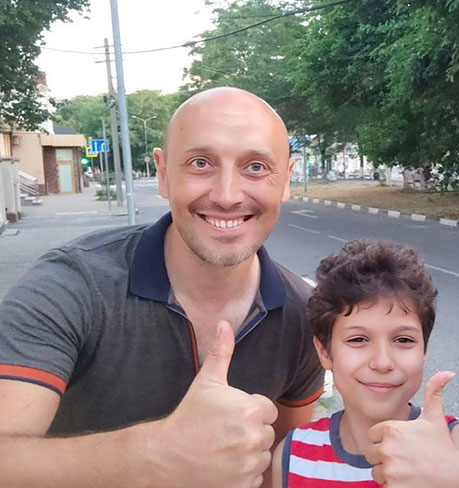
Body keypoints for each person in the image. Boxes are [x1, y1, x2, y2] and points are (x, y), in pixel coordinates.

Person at [0, 87, 324, 488]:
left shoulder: (304, 315)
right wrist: (152, 455)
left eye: (256, 167)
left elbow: (279, 464)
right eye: (201, 163)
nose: (226, 196)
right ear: (164, 173)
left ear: (286, 180)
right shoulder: (70, 287)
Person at [273, 239, 459, 488]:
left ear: (424, 349)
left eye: (403, 340)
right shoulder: (292, 455)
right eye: (358, 339)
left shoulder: (457, 444)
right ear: (325, 352)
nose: (382, 362)